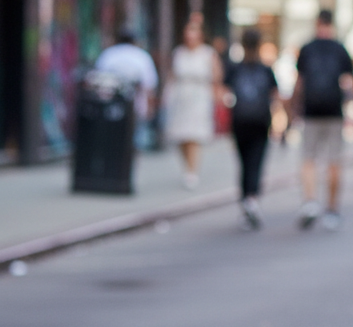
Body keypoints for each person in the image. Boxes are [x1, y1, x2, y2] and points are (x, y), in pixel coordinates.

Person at [291, 9, 353, 230]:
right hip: (334, 112)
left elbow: (299, 82)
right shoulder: (340, 49)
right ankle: (332, 210)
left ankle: (310, 202)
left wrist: (293, 108)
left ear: (317, 23)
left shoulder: (307, 49)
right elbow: (349, 83)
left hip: (311, 111)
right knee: (334, 161)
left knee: (308, 158)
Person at [224, 29, 279, 230]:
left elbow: (224, 93)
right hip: (261, 121)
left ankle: (246, 200)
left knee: (244, 162)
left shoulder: (235, 68)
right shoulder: (265, 69)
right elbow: (275, 96)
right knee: (256, 161)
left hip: (240, 122)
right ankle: (252, 198)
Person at [162, 20, 222, 189]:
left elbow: (216, 78)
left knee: (193, 135)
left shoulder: (208, 53)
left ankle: (192, 172)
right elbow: (172, 76)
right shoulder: (178, 53)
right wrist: (167, 97)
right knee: (180, 136)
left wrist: (217, 99)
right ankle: (186, 167)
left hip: (199, 97)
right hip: (180, 97)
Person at [94, 31, 160, 149]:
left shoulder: (108, 54)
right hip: (136, 104)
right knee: (134, 137)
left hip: (111, 105)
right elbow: (149, 84)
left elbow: (98, 79)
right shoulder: (141, 56)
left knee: (113, 136)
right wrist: (150, 107)